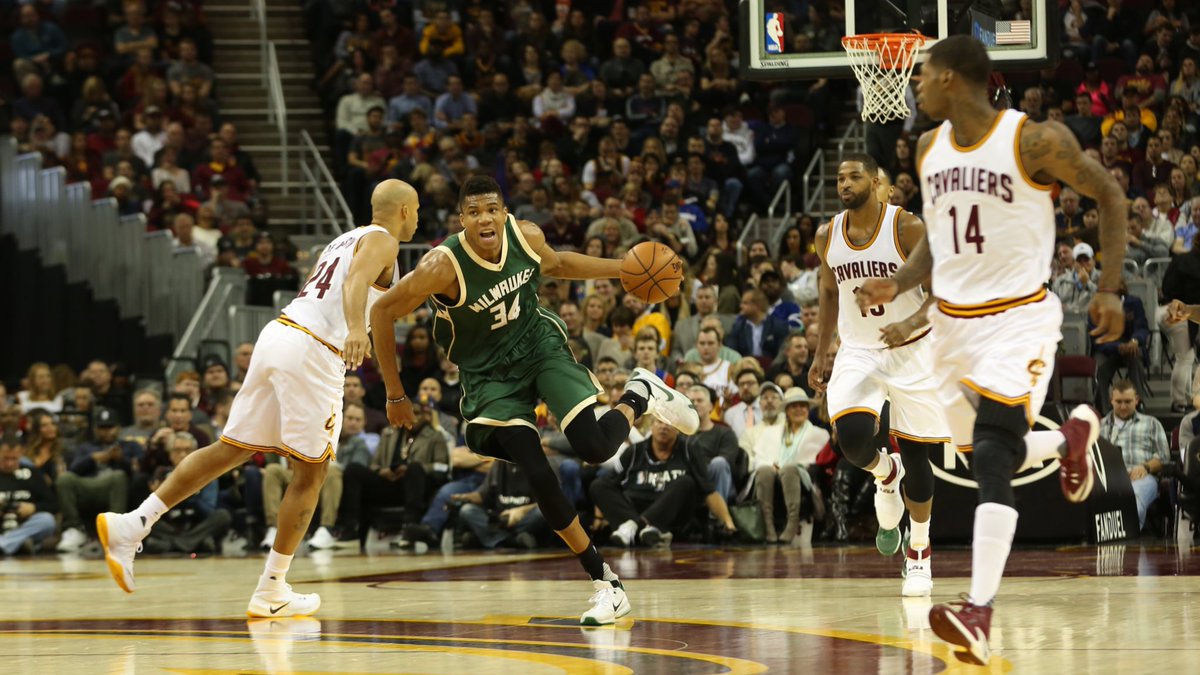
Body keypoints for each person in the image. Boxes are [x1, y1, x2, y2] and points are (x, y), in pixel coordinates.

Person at [855, 36, 1127, 665]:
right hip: (950, 326)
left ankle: (978, 609)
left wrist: (1110, 287)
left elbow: (1109, 193)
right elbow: (940, 232)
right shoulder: (928, 148)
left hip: (1018, 320)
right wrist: (898, 281)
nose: (915, 86)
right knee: (980, 453)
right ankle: (1069, 439)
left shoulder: (1037, 140)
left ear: (951, 78)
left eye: (923, 75)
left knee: (997, 451)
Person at [367, 175, 699, 625]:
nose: (485, 218)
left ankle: (639, 394)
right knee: (537, 470)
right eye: (475, 211)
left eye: (492, 209)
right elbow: (381, 311)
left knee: (596, 448)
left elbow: (558, 264)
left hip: (538, 346)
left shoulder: (526, 237)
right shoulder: (440, 267)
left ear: (504, 212)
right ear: (461, 219)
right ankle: (606, 582)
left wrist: (623, 268)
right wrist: (395, 392)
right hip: (489, 376)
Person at [97, 180, 421, 618]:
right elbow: (359, 281)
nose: (418, 218)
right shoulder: (383, 241)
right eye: (416, 210)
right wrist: (355, 329)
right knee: (312, 473)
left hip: (279, 335)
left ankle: (134, 523)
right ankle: (272, 589)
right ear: (403, 210)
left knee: (230, 449)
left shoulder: (344, 238)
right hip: (314, 350)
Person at [808, 153, 950, 597]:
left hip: (914, 349)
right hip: (859, 349)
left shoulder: (907, 228)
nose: (844, 183)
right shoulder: (826, 235)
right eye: (839, 177)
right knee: (850, 439)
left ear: (877, 182)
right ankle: (885, 474)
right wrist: (821, 352)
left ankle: (920, 552)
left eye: (853, 176)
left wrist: (911, 322)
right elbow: (830, 293)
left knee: (919, 458)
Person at [1099, 380, 1169, 531]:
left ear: (1136, 400)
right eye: (1118, 401)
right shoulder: (1099, 426)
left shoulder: (1151, 423)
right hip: (1107, 480)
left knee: (1133, 501)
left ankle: (1127, 536)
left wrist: (1146, 467)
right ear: (1111, 400)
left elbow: (1164, 458)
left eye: (1128, 401)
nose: (1123, 406)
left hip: (1141, 477)